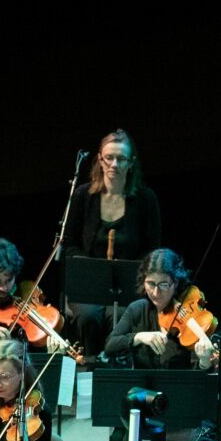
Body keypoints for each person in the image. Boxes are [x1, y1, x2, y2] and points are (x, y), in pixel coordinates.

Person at [66, 129, 162, 357]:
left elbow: (152, 249)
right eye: (109, 157)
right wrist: (88, 268)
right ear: (100, 159)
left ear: (131, 163)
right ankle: (87, 367)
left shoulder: (146, 199)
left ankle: (118, 375)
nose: (114, 164)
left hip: (130, 287)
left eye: (121, 158)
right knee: (88, 317)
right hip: (89, 286)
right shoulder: (82, 195)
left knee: (120, 318)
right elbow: (68, 243)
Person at [102, 248, 219, 370]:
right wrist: (139, 337)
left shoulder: (189, 313)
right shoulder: (137, 309)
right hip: (143, 387)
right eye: (151, 284)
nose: (156, 293)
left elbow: (198, 379)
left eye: (163, 285)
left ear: (175, 283)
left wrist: (205, 361)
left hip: (178, 386)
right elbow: (110, 346)